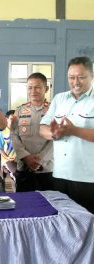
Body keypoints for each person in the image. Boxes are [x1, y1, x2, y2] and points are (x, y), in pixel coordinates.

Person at [40, 56, 94, 213]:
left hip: (88, 178)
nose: (75, 82)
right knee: (63, 221)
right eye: (71, 77)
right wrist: (53, 134)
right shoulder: (60, 99)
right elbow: (42, 127)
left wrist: (74, 130)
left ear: (92, 75)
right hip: (60, 174)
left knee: (88, 223)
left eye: (81, 77)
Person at [11, 72, 54, 192]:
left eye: (37, 87)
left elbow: (58, 138)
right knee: (24, 206)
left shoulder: (54, 110)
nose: (33, 91)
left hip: (47, 169)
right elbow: (14, 135)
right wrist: (26, 157)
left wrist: (40, 160)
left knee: (49, 206)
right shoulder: (19, 111)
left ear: (46, 88)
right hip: (24, 167)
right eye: (30, 87)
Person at [0, 110, 17, 188]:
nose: (14, 121)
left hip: (18, 160)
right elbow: (0, 148)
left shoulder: (19, 131)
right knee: (14, 177)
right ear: (6, 119)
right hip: (7, 160)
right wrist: (7, 158)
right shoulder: (2, 132)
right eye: (12, 119)